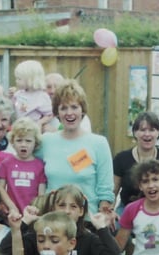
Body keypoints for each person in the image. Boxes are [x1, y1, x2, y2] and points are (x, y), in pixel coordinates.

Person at [0, 184, 122, 255]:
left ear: (81, 211)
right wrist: (24, 223)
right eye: (62, 205)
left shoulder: (89, 239)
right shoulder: (41, 237)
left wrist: (102, 229)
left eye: (73, 206)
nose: (67, 211)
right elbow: (5, 250)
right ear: (53, 208)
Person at [38, 79, 114, 216]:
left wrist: (104, 214)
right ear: (56, 113)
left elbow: (106, 190)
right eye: (63, 108)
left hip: (87, 222)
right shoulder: (45, 141)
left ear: (82, 110)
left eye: (74, 107)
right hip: (53, 221)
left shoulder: (99, 143)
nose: (69, 113)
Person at [113, 112, 159, 216]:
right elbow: (112, 192)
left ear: (158, 132)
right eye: (142, 130)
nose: (147, 134)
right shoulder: (121, 159)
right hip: (127, 210)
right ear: (135, 132)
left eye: (152, 130)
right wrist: (109, 214)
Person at [0, 116, 46, 215]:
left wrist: (35, 209)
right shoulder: (6, 163)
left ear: (35, 143)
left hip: (32, 214)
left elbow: (41, 194)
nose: (23, 144)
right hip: (12, 214)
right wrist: (11, 207)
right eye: (19, 140)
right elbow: (0, 187)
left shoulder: (40, 166)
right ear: (13, 142)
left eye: (28, 141)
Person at [11, 60, 53, 128]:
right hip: (19, 126)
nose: (16, 81)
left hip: (32, 128)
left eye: (19, 79)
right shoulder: (19, 93)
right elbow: (14, 107)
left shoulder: (41, 96)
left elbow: (49, 115)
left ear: (30, 79)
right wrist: (11, 96)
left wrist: (40, 122)